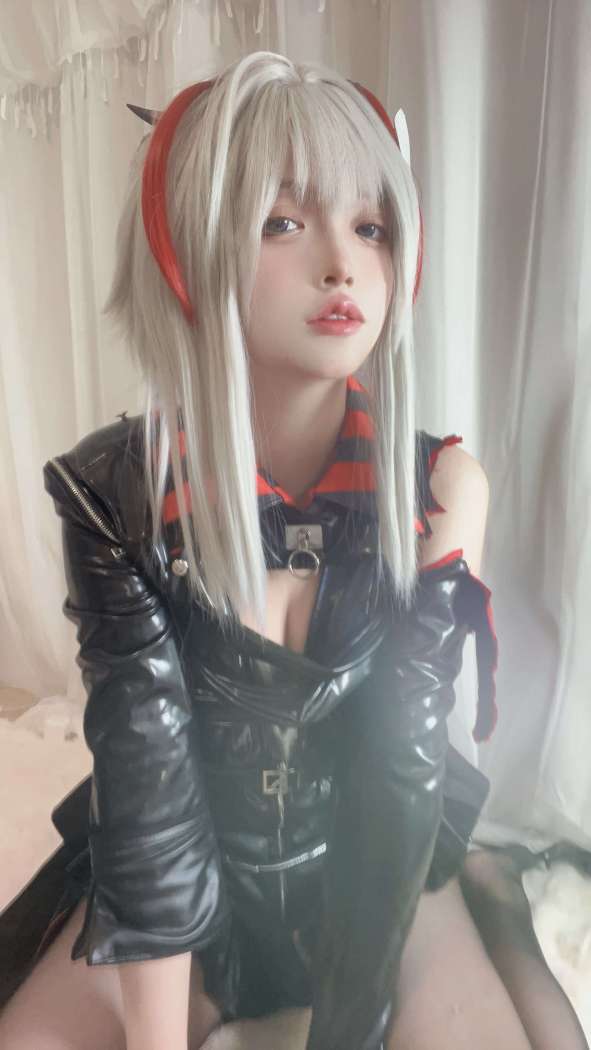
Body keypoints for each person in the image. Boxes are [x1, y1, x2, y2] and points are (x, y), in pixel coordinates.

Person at [0, 49, 588, 1050]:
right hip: (189, 882)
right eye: (282, 222)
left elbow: (399, 777)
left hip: (370, 871)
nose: (341, 263)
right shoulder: (115, 497)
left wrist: (346, 1033)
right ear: (188, 250)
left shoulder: (440, 491)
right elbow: (148, 801)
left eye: (371, 226)